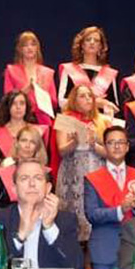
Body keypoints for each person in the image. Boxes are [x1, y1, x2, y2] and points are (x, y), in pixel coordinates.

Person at [0, 159, 82, 269]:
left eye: (38, 178)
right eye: (24, 178)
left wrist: (50, 228)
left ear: (48, 188)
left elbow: (76, 266)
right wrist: (20, 236)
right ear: (14, 189)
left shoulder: (66, 220)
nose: (32, 184)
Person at [82, 126, 135, 269]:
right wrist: (120, 210)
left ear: (127, 147)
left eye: (121, 142)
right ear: (105, 147)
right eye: (111, 142)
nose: (117, 146)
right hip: (104, 250)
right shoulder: (92, 178)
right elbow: (92, 214)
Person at [54, 84, 109, 245]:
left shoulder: (101, 120)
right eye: (82, 96)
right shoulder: (65, 119)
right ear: (74, 100)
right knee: (73, 219)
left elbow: (110, 153)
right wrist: (74, 142)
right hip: (73, 174)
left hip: (97, 170)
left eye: (89, 96)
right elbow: (61, 150)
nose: (87, 99)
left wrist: (94, 145)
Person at [56, 26, 122, 117]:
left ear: (101, 47)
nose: (92, 42)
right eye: (88, 39)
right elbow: (61, 102)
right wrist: (95, 103)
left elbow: (116, 106)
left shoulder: (110, 74)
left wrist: (105, 106)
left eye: (96, 40)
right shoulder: (68, 69)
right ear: (82, 45)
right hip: (74, 122)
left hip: (100, 124)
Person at [1, 31, 58, 126]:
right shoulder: (11, 71)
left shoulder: (48, 72)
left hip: (43, 120)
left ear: (37, 48)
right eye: (25, 45)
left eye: (33, 44)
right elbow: (7, 101)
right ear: (20, 49)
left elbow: (54, 103)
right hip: (19, 120)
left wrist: (42, 94)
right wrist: (24, 91)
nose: (29, 48)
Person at [0, 90, 48, 168]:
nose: (18, 107)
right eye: (14, 103)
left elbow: (42, 157)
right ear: (8, 107)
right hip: (7, 174)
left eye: (22, 103)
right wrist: (8, 163)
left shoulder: (36, 130)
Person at [0, 125, 50, 207]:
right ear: (17, 143)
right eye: (24, 141)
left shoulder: (44, 171)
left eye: (32, 142)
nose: (27, 145)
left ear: (37, 147)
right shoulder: (6, 166)